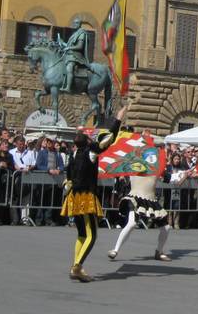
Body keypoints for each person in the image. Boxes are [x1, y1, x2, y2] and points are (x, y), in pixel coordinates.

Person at [62, 108, 123, 282]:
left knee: (81, 233)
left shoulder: (73, 154)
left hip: (73, 197)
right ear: (87, 141)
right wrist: (118, 119)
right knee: (91, 234)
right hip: (85, 197)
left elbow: (68, 177)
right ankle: (77, 266)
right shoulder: (91, 152)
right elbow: (110, 138)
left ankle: (76, 264)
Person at [108, 134, 173, 263]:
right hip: (135, 197)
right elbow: (120, 167)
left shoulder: (157, 167)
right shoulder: (134, 163)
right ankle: (115, 249)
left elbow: (170, 178)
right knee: (131, 223)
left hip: (151, 199)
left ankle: (159, 252)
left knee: (166, 228)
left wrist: (184, 174)